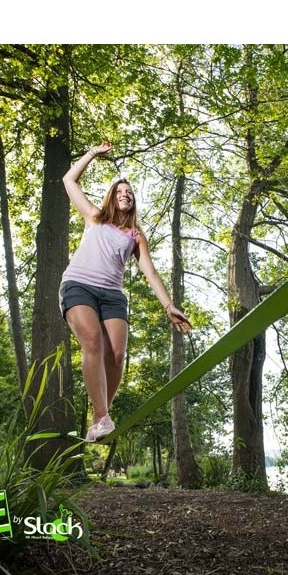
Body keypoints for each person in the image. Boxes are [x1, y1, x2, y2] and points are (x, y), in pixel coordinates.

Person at [59, 141, 191, 442]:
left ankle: (99, 419)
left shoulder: (136, 235)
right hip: (79, 286)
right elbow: (69, 180)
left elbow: (151, 273)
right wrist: (92, 154)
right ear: (110, 198)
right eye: (119, 192)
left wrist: (168, 305)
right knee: (93, 341)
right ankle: (102, 417)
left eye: (129, 192)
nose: (125, 195)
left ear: (134, 201)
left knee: (117, 355)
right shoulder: (94, 217)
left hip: (112, 296)